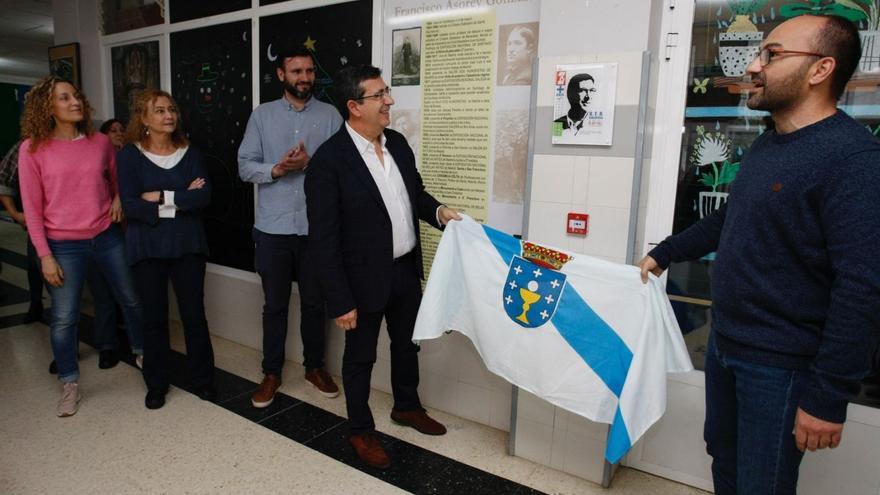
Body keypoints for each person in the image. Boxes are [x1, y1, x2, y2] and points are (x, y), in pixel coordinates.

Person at [638, 15, 880, 495]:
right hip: (728, 345)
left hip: (781, 365)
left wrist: (829, 397)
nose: (753, 64)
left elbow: (862, 286)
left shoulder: (854, 161)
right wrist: (664, 253)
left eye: (771, 54)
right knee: (725, 464)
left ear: (820, 69)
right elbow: (732, 217)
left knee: (761, 484)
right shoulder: (772, 143)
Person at [305, 64, 460, 469]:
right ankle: (360, 429)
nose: (389, 100)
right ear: (354, 106)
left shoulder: (397, 143)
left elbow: (415, 194)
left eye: (387, 92)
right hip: (360, 282)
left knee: (407, 344)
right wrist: (340, 300)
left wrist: (440, 213)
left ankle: (406, 406)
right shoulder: (328, 163)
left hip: (405, 269)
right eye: (380, 95)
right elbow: (323, 240)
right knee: (360, 359)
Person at [17, 76, 145, 417]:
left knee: (130, 298)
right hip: (62, 245)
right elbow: (31, 209)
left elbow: (119, 182)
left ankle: (144, 352)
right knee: (63, 317)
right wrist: (45, 256)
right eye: (64, 97)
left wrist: (118, 197)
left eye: (76, 95)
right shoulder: (32, 149)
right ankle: (70, 382)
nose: (75, 101)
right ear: (48, 107)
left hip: (105, 236)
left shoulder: (100, 142)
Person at [238, 46, 343, 408]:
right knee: (274, 306)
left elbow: (344, 171)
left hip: (317, 231)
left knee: (316, 304)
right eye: (296, 71)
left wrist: (312, 164)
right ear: (281, 75)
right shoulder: (262, 116)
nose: (304, 78)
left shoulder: (331, 116)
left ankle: (315, 368)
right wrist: (278, 169)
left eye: (309, 71)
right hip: (273, 230)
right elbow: (244, 166)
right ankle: (271, 373)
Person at [118, 89, 216, 410]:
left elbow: (202, 198)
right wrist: (180, 198)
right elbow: (131, 205)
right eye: (159, 111)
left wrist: (159, 197)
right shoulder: (129, 155)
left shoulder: (190, 152)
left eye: (171, 109)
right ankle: (156, 384)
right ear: (143, 119)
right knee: (154, 319)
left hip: (187, 246)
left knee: (193, 316)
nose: (168, 115)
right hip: (147, 249)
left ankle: (203, 380)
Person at [0, 139, 44, 323]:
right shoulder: (25, 146)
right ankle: (36, 303)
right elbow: (4, 180)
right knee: (36, 265)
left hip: (75, 223)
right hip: (38, 221)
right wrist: (16, 214)